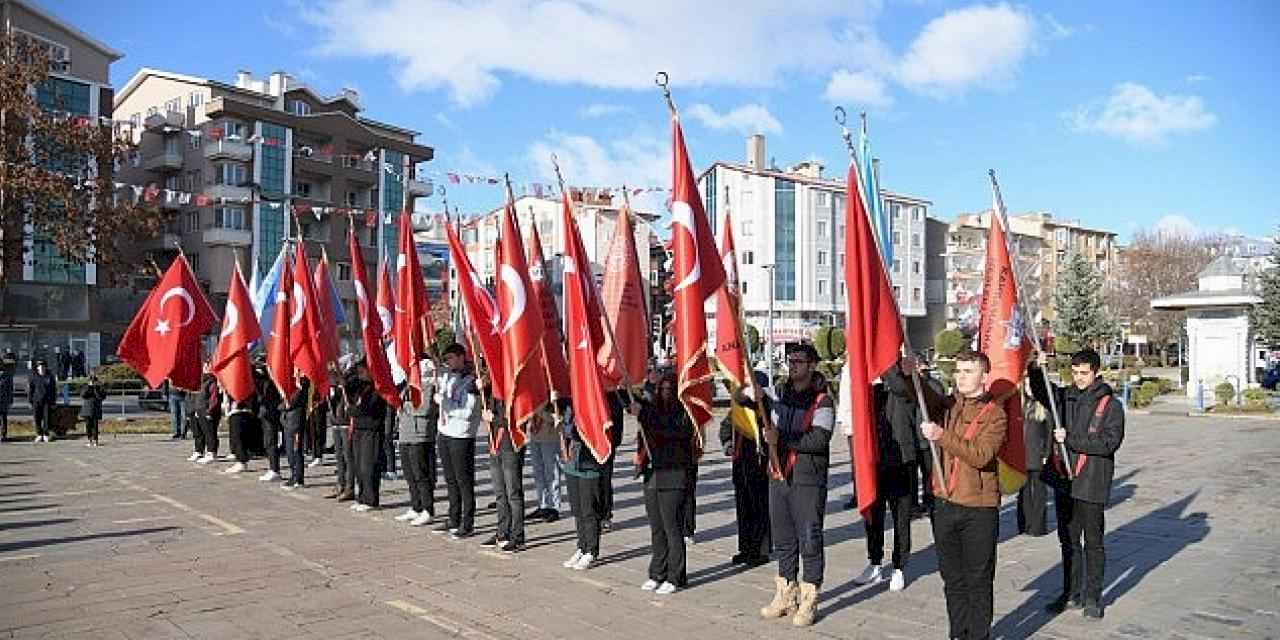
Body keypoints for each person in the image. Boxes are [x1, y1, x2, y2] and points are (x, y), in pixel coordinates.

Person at [736, 343, 834, 627]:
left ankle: (810, 596)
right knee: (784, 540)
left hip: (807, 479)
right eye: (790, 361)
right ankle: (785, 593)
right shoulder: (778, 392)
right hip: (778, 477)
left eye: (799, 361)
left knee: (810, 539)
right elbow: (741, 399)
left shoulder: (823, 400)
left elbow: (819, 440)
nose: (793, 366)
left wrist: (783, 440)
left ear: (812, 365)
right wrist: (748, 392)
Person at [913, 349, 1008, 640]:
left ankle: (979, 635)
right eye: (958, 370)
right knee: (952, 579)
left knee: (978, 580)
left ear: (984, 375)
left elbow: (981, 456)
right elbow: (918, 395)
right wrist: (909, 373)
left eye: (968, 371)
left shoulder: (996, 415)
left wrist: (941, 436)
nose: (961, 376)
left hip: (978, 508)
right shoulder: (950, 404)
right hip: (944, 503)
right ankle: (957, 633)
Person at [1031, 348, 1125, 620]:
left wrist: (1069, 439)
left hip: (1092, 481)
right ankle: (1070, 592)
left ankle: (1093, 596)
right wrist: (1037, 369)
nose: (1079, 378)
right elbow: (1041, 391)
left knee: (1093, 542)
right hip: (1065, 481)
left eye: (1084, 373)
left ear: (1096, 372)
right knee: (1068, 540)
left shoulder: (1110, 405)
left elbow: (1109, 443)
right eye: (1074, 373)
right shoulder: (1065, 397)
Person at [853, 360, 921, 593]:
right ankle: (874, 561)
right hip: (875, 460)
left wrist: (883, 361)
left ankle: (900, 566)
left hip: (901, 461)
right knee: (873, 516)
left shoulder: (906, 385)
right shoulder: (873, 390)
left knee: (901, 518)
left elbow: (899, 387)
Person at [631, 372, 695, 594]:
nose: (664, 392)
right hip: (653, 475)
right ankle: (657, 571)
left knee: (672, 529)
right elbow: (630, 397)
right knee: (656, 529)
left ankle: (676, 575)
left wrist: (645, 416)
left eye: (669, 389)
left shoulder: (685, 413)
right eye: (661, 389)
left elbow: (672, 431)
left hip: (674, 475)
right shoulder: (653, 409)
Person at [719, 370, 771, 567]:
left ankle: (761, 550)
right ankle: (746, 547)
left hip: (759, 464)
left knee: (760, 507)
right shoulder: (738, 411)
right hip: (740, 464)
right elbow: (725, 427)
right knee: (743, 508)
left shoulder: (765, 409)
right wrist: (727, 444)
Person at [434, 344, 479, 537]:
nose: (449, 362)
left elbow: (467, 412)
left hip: (461, 435)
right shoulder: (448, 376)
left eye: (452, 358)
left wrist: (446, 404)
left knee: (463, 481)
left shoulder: (471, 382)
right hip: (445, 432)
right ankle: (454, 517)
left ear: (462, 357)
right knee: (450, 479)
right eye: (447, 359)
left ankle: (467, 523)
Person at [479, 373, 525, 552]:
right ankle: (502, 531)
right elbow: (475, 394)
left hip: (510, 443)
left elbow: (517, 419)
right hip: (495, 444)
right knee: (500, 492)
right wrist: (481, 386)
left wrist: (494, 419)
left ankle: (518, 536)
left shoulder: (513, 389)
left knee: (513, 492)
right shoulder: (491, 392)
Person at [562, 404, 606, 571]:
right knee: (578, 510)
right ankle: (582, 546)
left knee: (589, 511)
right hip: (573, 463)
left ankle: (592, 551)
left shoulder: (596, 405)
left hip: (590, 465)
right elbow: (567, 429)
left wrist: (572, 430)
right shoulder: (570, 407)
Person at [395, 359, 438, 527]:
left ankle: (428, 509)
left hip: (420, 435)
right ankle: (416, 506)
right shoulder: (408, 386)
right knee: (410, 474)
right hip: (406, 434)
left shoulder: (428, 385)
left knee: (421, 475)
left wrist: (404, 406)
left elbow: (425, 408)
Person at [347, 360, 387, 511]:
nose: (360, 374)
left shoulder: (378, 387)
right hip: (358, 429)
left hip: (371, 430)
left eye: (363, 371)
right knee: (358, 466)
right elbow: (347, 385)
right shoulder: (359, 386)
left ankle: (371, 500)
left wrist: (351, 410)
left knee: (368, 466)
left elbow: (368, 408)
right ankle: (362, 497)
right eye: (359, 372)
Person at [1016, 372, 1053, 537]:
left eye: (1032, 385)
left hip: (1037, 455)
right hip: (1021, 455)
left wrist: (1047, 452)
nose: (1030, 388)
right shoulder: (1020, 405)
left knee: (1038, 491)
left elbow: (1050, 432)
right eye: (1027, 385)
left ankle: (1038, 526)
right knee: (1023, 492)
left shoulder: (1043, 407)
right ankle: (1024, 524)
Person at [527, 402, 565, 523]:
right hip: (534, 436)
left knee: (552, 473)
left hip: (550, 437)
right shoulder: (534, 392)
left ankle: (554, 507)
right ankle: (543, 505)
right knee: (538, 473)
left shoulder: (553, 390)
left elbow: (558, 418)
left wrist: (538, 411)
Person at [323, 373, 355, 500]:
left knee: (348, 456)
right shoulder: (332, 387)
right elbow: (331, 402)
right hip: (335, 422)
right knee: (339, 456)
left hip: (346, 422)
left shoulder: (348, 383)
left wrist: (343, 387)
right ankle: (340, 484)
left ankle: (350, 487)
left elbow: (350, 401)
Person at [281, 374, 310, 489]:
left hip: (296, 421)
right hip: (289, 421)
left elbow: (294, 400)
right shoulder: (292, 382)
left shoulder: (302, 384)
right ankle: (293, 475)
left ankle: (298, 478)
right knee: (289, 451)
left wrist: (283, 405)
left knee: (296, 450)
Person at [188, 370, 222, 464]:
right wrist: (191, 410)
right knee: (198, 432)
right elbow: (191, 397)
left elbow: (214, 398)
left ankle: (211, 452)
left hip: (207, 411)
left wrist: (210, 411)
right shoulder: (195, 382)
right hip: (197, 410)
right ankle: (199, 450)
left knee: (210, 433)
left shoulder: (211, 381)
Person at [222, 391, 256, 474]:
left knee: (238, 438)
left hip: (238, 410)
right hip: (238, 410)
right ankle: (241, 459)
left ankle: (241, 461)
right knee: (237, 437)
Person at [29, 360, 57, 443]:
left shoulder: (50, 377)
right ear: (37, 368)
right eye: (39, 366)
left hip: (47, 401)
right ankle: (39, 434)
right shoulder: (33, 376)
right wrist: (30, 401)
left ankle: (46, 434)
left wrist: (53, 402)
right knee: (37, 418)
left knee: (47, 418)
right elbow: (31, 390)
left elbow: (53, 390)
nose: (41, 367)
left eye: (43, 366)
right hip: (36, 401)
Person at [80, 374, 107, 447]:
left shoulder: (100, 387)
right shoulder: (85, 386)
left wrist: (95, 388)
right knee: (88, 425)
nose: (92, 382)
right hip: (87, 409)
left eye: (94, 381)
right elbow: (83, 395)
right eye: (91, 380)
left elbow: (102, 396)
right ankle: (90, 439)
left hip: (95, 408)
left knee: (95, 426)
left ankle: (96, 440)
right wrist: (89, 387)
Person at [308, 377, 329, 469]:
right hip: (311, 405)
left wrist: (319, 402)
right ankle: (315, 454)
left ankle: (318, 455)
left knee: (319, 430)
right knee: (313, 431)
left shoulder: (321, 375)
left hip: (318, 405)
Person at [0, 352, 15, 443]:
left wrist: (10, 401)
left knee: (3, 418)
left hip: (3, 401)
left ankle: (3, 435)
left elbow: (10, 389)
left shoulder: (7, 375)